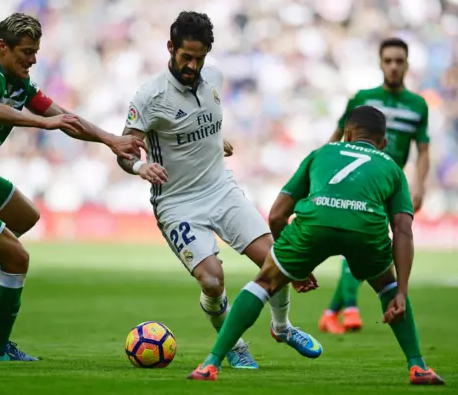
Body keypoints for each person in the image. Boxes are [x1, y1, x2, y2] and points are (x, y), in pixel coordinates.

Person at [0, 13, 145, 361]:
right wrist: (42, 123)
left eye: (36, 51)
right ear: (2, 47)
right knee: (17, 257)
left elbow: (65, 117)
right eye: (26, 51)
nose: (33, 59)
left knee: (25, 215)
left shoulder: (20, 85)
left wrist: (110, 139)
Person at [117, 11, 321, 370]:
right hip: (177, 203)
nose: (192, 66)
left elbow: (199, 123)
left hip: (221, 189)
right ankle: (235, 344)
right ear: (170, 48)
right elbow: (124, 150)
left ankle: (283, 328)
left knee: (279, 262)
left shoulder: (214, 77)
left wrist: (214, 142)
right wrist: (139, 166)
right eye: (186, 57)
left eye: (199, 58)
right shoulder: (149, 96)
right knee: (212, 281)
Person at [188, 105, 444, 385]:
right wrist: (402, 291)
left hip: (315, 224)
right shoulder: (391, 167)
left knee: (264, 282)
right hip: (365, 231)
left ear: (346, 134)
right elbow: (403, 229)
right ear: (383, 143)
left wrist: (290, 265)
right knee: (388, 287)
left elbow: (277, 214)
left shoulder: (322, 153)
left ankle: (211, 364)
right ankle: (418, 367)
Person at [319, 38, 431, 334]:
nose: (394, 67)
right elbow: (338, 136)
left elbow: (423, 151)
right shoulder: (362, 98)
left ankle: (331, 313)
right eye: (388, 61)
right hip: (358, 184)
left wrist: (420, 185)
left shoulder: (418, 105)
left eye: (399, 61)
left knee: (365, 244)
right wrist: (322, 173)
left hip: (391, 185)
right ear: (380, 64)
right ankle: (351, 309)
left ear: (407, 65)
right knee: (359, 242)